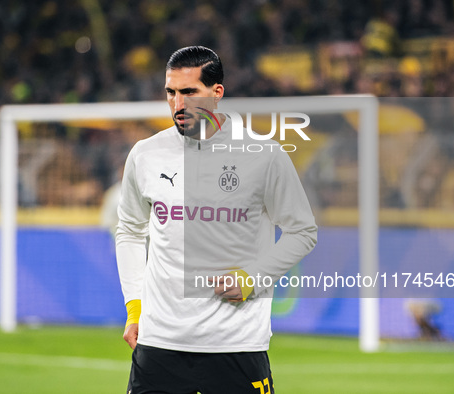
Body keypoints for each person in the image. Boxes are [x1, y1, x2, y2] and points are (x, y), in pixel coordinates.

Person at [116, 46, 317, 393]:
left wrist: (253, 278)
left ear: (217, 93)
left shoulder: (263, 156)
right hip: (159, 343)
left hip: (236, 344)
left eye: (189, 92)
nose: (178, 104)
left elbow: (303, 230)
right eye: (171, 92)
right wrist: (135, 307)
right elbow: (130, 231)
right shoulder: (145, 155)